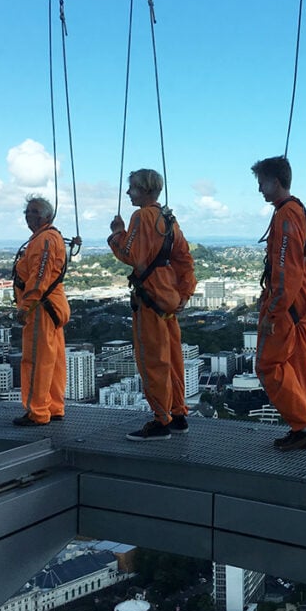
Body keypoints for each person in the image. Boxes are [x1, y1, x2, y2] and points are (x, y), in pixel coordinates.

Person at [109, 169, 197, 441]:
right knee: (172, 358)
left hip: (149, 298)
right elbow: (184, 259)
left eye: (132, 188)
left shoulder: (142, 216)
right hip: (168, 297)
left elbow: (130, 254)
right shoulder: (168, 218)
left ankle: (161, 420)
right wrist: (184, 293)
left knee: (152, 361)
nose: (128, 193)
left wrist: (116, 234)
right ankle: (178, 413)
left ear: (145, 190)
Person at [251, 156, 306, 451]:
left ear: (275, 182)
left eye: (262, 183)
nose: (260, 190)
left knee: (267, 364)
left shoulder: (285, 216)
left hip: (287, 304)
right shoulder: (299, 212)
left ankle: (304, 423)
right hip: (300, 301)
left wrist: (273, 310)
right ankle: (304, 426)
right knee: (297, 366)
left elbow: (283, 268)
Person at [12, 196, 72, 426]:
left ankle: (37, 412)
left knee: (36, 360)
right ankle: (54, 407)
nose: (29, 216)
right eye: (27, 212)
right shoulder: (48, 237)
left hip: (41, 307)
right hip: (51, 305)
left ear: (47, 215)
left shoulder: (45, 239)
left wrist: (27, 305)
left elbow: (40, 274)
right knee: (53, 360)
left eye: (35, 212)